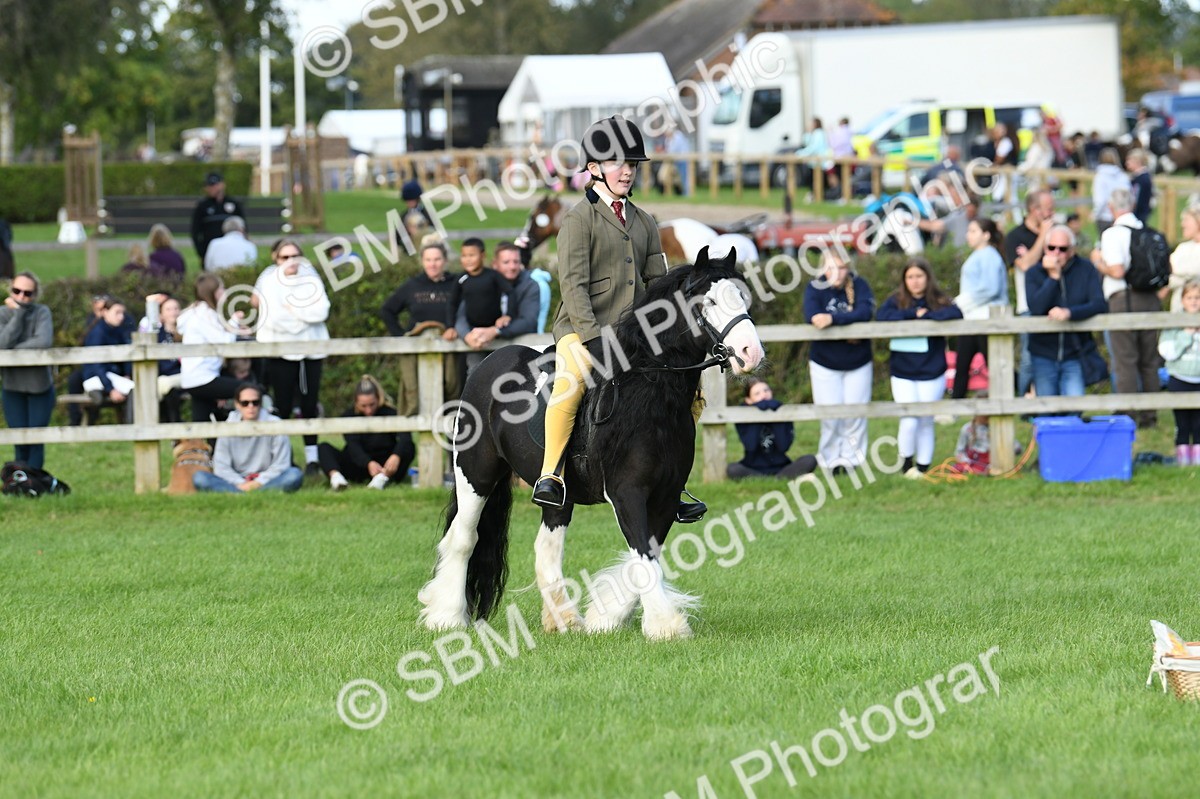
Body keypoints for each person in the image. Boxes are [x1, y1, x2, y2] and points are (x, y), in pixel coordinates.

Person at [532, 115, 704, 524]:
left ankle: (671, 481)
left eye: (633, 163)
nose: (627, 170)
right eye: (617, 163)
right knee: (570, 384)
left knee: (689, 395)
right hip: (582, 329)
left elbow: (658, 284)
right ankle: (551, 474)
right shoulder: (578, 220)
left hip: (636, 336)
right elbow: (573, 288)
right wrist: (593, 341)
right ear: (594, 169)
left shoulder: (644, 221)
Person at [877, 258, 963, 477]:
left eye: (919, 276)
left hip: (931, 370)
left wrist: (930, 317)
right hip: (902, 371)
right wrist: (912, 315)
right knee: (908, 419)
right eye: (910, 277)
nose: (914, 282)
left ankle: (924, 468)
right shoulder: (896, 301)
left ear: (927, 277)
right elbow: (882, 316)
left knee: (925, 420)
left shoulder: (938, 300)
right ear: (904, 280)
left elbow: (955, 313)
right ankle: (906, 464)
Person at [253, 241, 331, 475]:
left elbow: (322, 311)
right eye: (284, 257)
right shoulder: (269, 279)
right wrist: (302, 316)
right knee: (282, 406)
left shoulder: (310, 276)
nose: (291, 261)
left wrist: (295, 310)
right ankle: (282, 459)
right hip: (281, 352)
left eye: (295, 255)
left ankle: (313, 460)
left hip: (310, 352)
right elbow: (274, 317)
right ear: (275, 258)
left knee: (309, 405)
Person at [1091, 188, 1163, 428]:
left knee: (1125, 359)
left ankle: (1128, 415)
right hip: (1150, 298)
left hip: (1124, 299)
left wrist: (1098, 262)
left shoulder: (1113, 234)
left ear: (1112, 208)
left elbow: (1117, 270)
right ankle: (1150, 415)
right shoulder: (1145, 231)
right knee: (1150, 360)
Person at [803, 251, 875, 472]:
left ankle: (852, 460)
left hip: (858, 362)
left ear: (848, 269)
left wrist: (833, 319)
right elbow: (812, 315)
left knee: (855, 413)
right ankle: (830, 460)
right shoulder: (815, 287)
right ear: (824, 269)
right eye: (832, 267)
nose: (837, 273)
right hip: (825, 362)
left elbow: (865, 312)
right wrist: (840, 321)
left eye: (842, 267)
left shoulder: (860, 284)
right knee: (830, 414)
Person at [1025, 225, 1107, 398]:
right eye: (1051, 248)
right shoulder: (1034, 273)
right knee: (1047, 409)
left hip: (1075, 352)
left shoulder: (1086, 269)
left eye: (1062, 249)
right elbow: (1036, 308)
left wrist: (1070, 313)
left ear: (1072, 250)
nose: (1056, 253)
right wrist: (1053, 278)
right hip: (1043, 352)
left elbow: (1099, 304)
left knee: (1074, 405)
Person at [380, 241, 460, 416]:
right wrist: (402, 337)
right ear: (422, 262)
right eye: (428, 259)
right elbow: (387, 310)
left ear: (445, 261)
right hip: (418, 351)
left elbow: (467, 310)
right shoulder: (412, 285)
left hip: (450, 349)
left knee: (452, 392)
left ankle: (450, 441)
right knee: (415, 393)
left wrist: (456, 328)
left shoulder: (456, 283)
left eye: (437, 259)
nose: (433, 264)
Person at [193, 382, 303, 493]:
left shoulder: (275, 424)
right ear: (237, 404)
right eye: (245, 403)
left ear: (261, 404)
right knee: (200, 478)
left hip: (266, 479)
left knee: (294, 475)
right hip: (237, 480)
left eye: (255, 402)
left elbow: (281, 464)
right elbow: (221, 466)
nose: (251, 407)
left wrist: (258, 482)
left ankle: (238, 494)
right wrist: (240, 483)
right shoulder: (228, 426)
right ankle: (255, 494)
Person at [318, 375, 416, 490]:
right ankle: (337, 479)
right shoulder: (348, 416)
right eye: (363, 406)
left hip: (386, 464)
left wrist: (396, 456)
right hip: (359, 463)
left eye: (372, 404)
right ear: (356, 402)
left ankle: (382, 478)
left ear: (378, 398)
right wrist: (368, 463)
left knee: (409, 447)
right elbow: (353, 446)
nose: (368, 410)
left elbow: (405, 437)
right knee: (323, 448)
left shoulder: (390, 412)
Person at [1005, 189, 1056, 397]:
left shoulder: (1056, 233)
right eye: (1048, 209)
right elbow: (1026, 264)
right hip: (1028, 306)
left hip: (1056, 304)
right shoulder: (1015, 236)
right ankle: (1024, 401)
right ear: (1034, 211)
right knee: (1028, 357)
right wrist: (1043, 235)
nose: (1052, 213)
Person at [0, 272, 54, 467]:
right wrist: (19, 314)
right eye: (17, 291)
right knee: (19, 440)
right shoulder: (3, 313)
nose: (22, 297)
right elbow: (2, 342)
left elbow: (43, 341)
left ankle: (35, 483)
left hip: (39, 387)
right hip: (12, 387)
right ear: (11, 291)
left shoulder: (42, 312)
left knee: (35, 440)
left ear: (35, 294)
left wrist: (13, 351)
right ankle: (21, 482)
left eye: (27, 293)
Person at [952, 218, 1008, 400]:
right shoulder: (980, 255)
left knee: (995, 364)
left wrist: (959, 303)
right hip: (973, 318)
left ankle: (1018, 394)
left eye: (973, 231)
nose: (969, 235)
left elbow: (990, 288)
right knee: (963, 363)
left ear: (986, 235)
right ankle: (956, 402)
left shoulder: (989, 255)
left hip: (986, 319)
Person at [178, 273, 243, 422]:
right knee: (248, 390)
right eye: (221, 288)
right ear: (213, 292)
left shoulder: (198, 312)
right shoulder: (205, 315)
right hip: (203, 377)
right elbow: (225, 343)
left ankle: (203, 445)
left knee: (202, 422)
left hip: (194, 378)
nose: (225, 291)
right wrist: (235, 322)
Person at [727, 379, 818, 480]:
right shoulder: (742, 415)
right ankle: (772, 479)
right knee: (732, 469)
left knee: (810, 459)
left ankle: (776, 478)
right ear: (748, 400)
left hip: (781, 467)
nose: (764, 395)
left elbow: (783, 446)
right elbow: (750, 446)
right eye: (757, 393)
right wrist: (756, 413)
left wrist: (777, 415)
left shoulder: (782, 411)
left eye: (766, 390)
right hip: (753, 467)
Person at [460, 242, 539, 355]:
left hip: (520, 350)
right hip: (481, 345)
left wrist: (495, 331)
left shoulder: (530, 286)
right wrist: (466, 335)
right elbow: (461, 313)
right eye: (506, 262)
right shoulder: (479, 281)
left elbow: (528, 321)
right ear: (495, 264)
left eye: (516, 262)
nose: (512, 267)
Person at [1158, 279, 1200, 465]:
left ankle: (1197, 461)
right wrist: (1186, 335)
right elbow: (1167, 352)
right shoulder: (1174, 322)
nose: (1194, 301)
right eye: (1189, 297)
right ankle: (1183, 462)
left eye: (1198, 298)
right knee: (1182, 424)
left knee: (1199, 424)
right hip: (1179, 379)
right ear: (1182, 300)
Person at [453, 238, 510, 374]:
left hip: (496, 334)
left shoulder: (493, 276)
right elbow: (452, 304)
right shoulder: (461, 280)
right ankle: (472, 396)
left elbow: (510, 294)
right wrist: (451, 327)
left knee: (501, 372)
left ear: (483, 255)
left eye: (472, 255)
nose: (468, 259)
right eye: (464, 255)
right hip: (473, 336)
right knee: (475, 371)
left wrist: (507, 316)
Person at [81, 296, 133, 421]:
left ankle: (98, 391)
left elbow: (126, 354)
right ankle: (132, 426)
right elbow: (97, 365)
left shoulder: (118, 330)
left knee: (131, 386)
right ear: (105, 312)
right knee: (133, 388)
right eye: (117, 313)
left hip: (109, 375)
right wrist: (111, 389)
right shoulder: (98, 333)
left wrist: (126, 373)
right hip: (96, 376)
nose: (121, 317)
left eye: (122, 313)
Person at [140, 293, 185, 423]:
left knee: (163, 384)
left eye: (176, 308)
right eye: (169, 309)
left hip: (184, 375)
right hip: (163, 377)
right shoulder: (156, 334)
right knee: (167, 388)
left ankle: (146, 421)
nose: (173, 312)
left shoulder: (187, 332)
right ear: (161, 314)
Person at [191, 171, 246, 262]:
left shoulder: (234, 204)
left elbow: (244, 228)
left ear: (222, 185)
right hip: (210, 252)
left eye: (215, 185)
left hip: (232, 251)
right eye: (210, 186)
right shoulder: (202, 207)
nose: (213, 188)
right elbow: (195, 231)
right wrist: (201, 253)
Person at [1168, 204, 1200, 312]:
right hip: (1178, 308)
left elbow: (1195, 271)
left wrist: (1177, 274)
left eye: (1186, 220)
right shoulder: (1183, 248)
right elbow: (1167, 272)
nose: (1182, 224)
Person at [1091, 148, 1130, 237]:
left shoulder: (1100, 177)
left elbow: (1100, 199)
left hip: (1105, 216)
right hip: (1121, 215)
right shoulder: (1122, 175)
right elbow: (1128, 195)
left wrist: (1095, 213)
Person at [398, 179, 435, 247]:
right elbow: (398, 236)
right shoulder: (403, 216)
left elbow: (434, 231)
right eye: (408, 200)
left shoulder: (427, 214)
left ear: (417, 199)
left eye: (412, 199)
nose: (410, 202)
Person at [1126, 148, 1154, 225]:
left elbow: (1137, 198)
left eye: (1129, 160)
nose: (1127, 163)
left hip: (1139, 215)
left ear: (1137, 161)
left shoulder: (1142, 179)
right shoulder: (1137, 177)